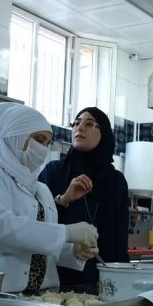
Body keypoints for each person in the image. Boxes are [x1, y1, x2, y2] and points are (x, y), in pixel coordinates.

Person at [0, 103, 99, 294]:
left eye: (47, 142)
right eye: (39, 139)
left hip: (40, 297)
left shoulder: (40, 189)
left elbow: (37, 244)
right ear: (15, 136)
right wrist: (66, 233)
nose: (44, 147)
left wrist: (72, 252)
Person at [39, 107, 129, 294]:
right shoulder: (53, 172)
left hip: (101, 279)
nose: (80, 128)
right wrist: (63, 199)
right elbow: (37, 220)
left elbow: (119, 236)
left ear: (103, 133)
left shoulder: (115, 181)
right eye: (77, 123)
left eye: (89, 124)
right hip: (56, 276)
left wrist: (118, 276)